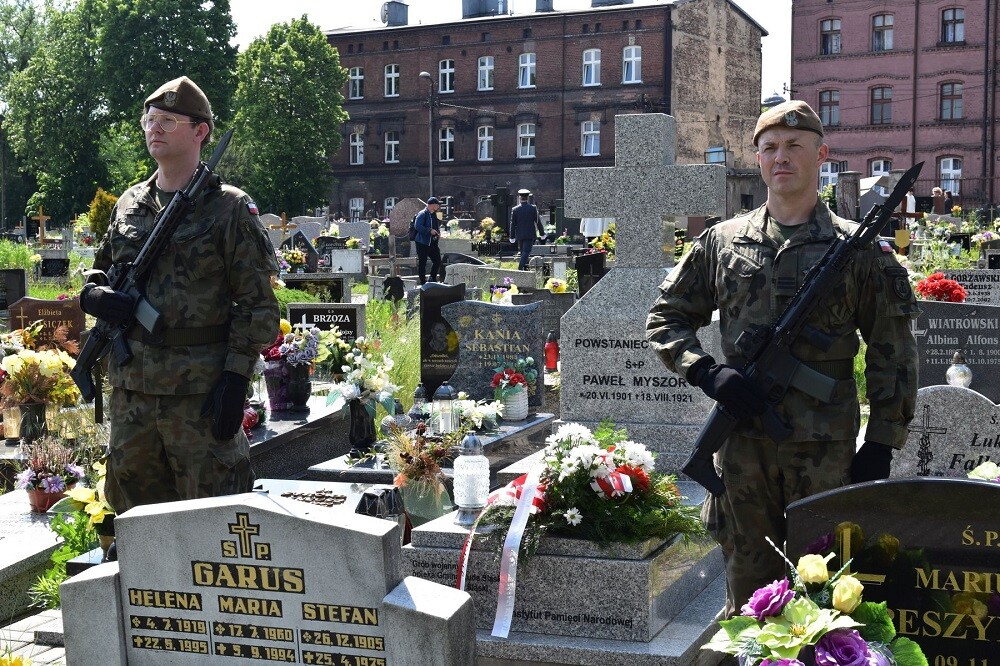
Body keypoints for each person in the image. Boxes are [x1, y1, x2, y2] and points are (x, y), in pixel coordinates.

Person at [645, 100, 918, 617]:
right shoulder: (724, 242)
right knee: (751, 600)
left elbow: (894, 350)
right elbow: (665, 318)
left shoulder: (857, 250)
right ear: (758, 158)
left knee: (830, 601)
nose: (781, 157)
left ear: (822, 155)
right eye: (770, 147)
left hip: (827, 455)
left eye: (794, 145)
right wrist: (706, 371)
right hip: (743, 451)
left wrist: (882, 441)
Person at [81, 76, 280, 515]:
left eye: (168, 121)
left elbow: (258, 307)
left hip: (200, 395)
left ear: (200, 132)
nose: (154, 128)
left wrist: (235, 379)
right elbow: (102, 267)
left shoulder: (229, 208)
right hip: (133, 395)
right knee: (135, 519)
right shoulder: (129, 202)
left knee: (212, 519)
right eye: (150, 119)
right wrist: (93, 295)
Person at [509, 188, 544, 271]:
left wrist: (512, 236)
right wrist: (542, 233)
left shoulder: (515, 209)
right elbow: (538, 222)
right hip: (529, 234)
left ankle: (523, 270)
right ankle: (520, 269)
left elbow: (512, 224)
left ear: (520, 198)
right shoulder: (533, 208)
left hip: (520, 234)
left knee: (523, 253)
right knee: (526, 252)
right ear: (528, 197)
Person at [414, 196, 442, 284]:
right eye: (437, 204)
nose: (438, 206)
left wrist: (438, 232)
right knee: (422, 262)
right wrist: (429, 231)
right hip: (422, 242)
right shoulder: (422, 214)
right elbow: (417, 226)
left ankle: (432, 278)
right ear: (432, 205)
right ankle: (423, 282)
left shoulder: (435, 214)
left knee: (437, 260)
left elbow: (437, 225)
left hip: (433, 243)